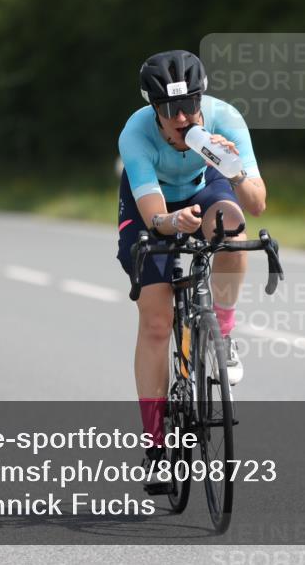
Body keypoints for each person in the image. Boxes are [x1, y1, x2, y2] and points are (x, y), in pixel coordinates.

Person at [116, 50, 267, 486]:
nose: (183, 118)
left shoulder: (223, 119)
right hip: (153, 205)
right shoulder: (136, 133)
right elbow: (153, 217)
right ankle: (157, 446)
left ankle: (222, 330)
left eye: (191, 105)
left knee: (232, 229)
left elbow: (256, 205)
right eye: (170, 110)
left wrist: (234, 169)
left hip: (206, 184)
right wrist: (171, 224)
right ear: (153, 109)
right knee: (157, 324)